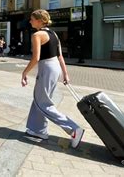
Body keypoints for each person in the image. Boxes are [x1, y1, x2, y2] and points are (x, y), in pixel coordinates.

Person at [21, 9, 84, 149]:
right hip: (55, 67)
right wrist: (65, 74)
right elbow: (60, 56)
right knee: (40, 99)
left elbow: (36, 58)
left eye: (32, 19)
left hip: (47, 67)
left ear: (39, 20)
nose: (30, 21)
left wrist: (24, 73)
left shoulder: (37, 35)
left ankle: (74, 129)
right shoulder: (53, 33)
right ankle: (38, 130)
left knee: (43, 103)